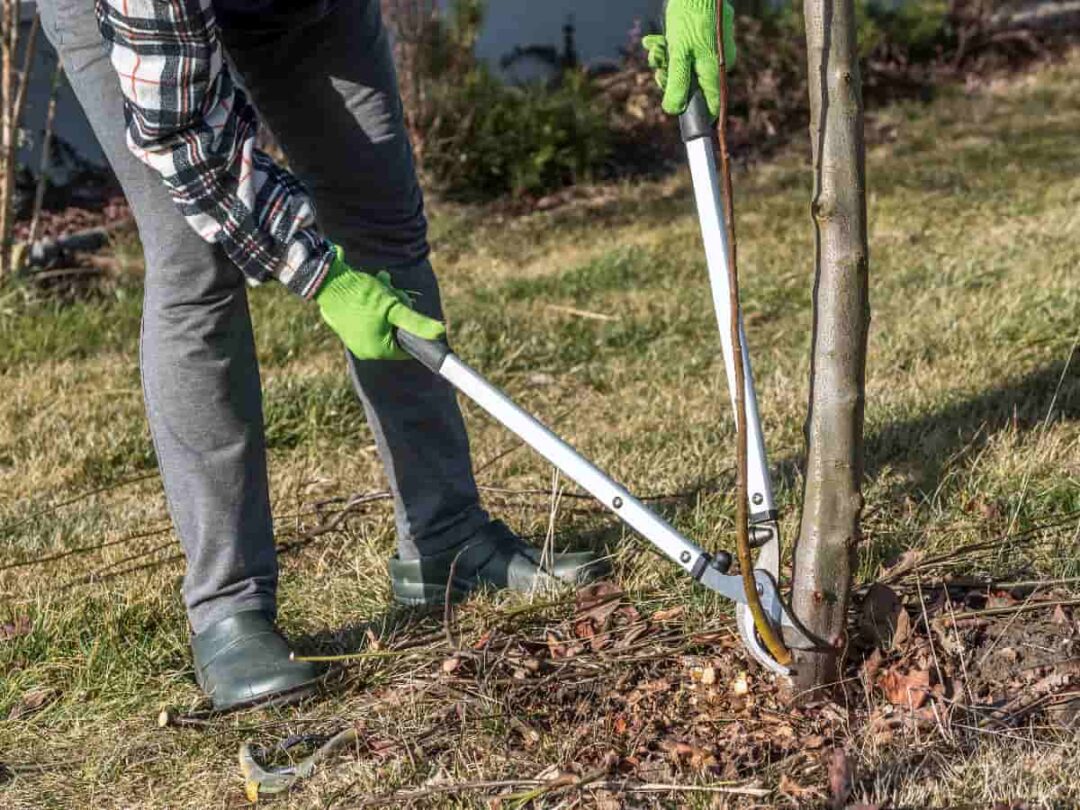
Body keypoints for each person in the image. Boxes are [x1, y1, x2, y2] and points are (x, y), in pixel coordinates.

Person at [34, 0, 727, 711]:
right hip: (134, 31)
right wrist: (320, 273)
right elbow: (180, 128)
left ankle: (447, 538)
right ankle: (228, 609)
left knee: (382, 221)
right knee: (196, 264)